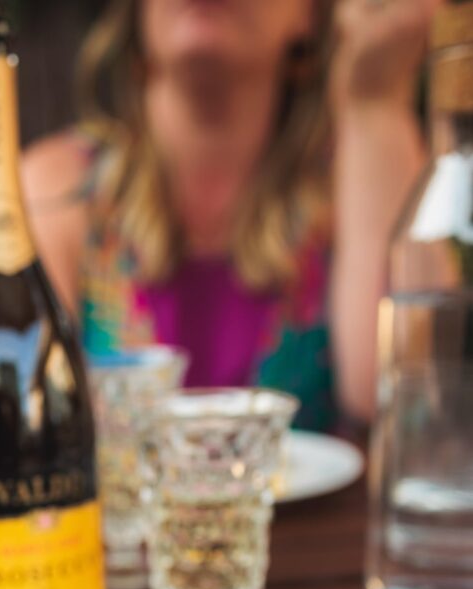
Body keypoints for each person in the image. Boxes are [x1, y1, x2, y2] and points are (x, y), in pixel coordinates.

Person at [22, 0, 440, 429]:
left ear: (309, 16)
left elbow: (396, 403)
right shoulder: (56, 191)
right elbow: (21, 423)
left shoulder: (352, 182)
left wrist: (376, 100)